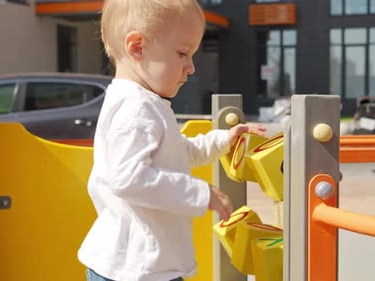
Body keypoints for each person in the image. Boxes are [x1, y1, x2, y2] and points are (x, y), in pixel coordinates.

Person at [77, 1, 266, 280]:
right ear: (137, 47)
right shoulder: (136, 109)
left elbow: (178, 151)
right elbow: (129, 179)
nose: (190, 68)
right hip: (138, 269)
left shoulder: (145, 103)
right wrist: (201, 194)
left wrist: (223, 139)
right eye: (182, 54)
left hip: (143, 265)